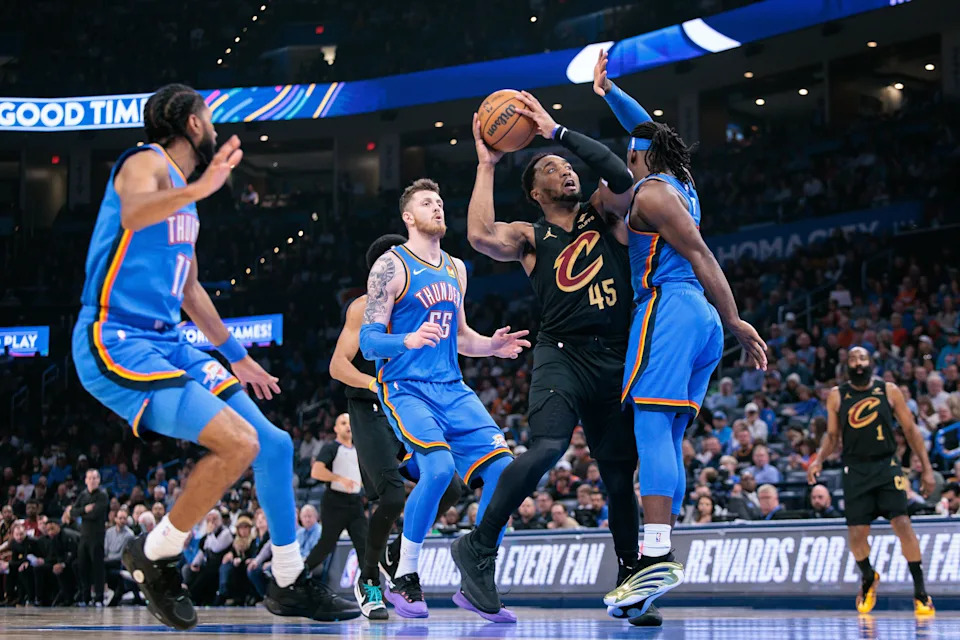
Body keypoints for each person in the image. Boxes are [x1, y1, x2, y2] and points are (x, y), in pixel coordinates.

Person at [69, 83, 358, 629]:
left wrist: (236, 356)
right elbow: (132, 214)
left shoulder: (184, 198)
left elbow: (191, 289)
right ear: (194, 125)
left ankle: (290, 580)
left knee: (273, 444)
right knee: (238, 443)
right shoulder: (143, 162)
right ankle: (154, 554)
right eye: (209, 115)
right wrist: (203, 186)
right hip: (116, 336)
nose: (214, 125)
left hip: (170, 338)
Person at [452, 86, 646, 625]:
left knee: (617, 475)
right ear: (534, 191)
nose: (566, 172)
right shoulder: (530, 234)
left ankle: (631, 578)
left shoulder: (602, 213)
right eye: (553, 168)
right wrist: (486, 164)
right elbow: (477, 234)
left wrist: (555, 131)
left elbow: (624, 177)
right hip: (560, 356)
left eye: (567, 166)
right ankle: (479, 545)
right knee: (545, 450)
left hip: (613, 357)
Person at [593, 48, 766, 619]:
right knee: (666, 437)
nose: (625, 158)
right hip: (700, 323)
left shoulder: (652, 192)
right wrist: (610, 92)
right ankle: (655, 567)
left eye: (628, 154)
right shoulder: (680, 183)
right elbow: (649, 131)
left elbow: (700, 253)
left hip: (670, 308)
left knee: (648, 425)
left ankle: (656, 555)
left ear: (640, 157)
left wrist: (737, 316)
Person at [358, 178, 529, 621]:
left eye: (439, 200)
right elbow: (370, 341)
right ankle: (405, 576)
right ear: (407, 217)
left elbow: (462, 337)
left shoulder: (457, 268)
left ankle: (477, 567)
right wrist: (408, 339)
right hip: (405, 387)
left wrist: (490, 346)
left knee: (507, 474)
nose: (437, 207)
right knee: (435, 469)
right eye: (426, 203)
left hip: (453, 388)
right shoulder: (390, 267)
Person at [327, 234, 466, 619]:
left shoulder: (425, 303)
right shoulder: (363, 308)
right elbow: (338, 366)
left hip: (410, 402)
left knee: (451, 484)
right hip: (371, 406)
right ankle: (368, 577)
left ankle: (394, 553)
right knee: (390, 496)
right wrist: (375, 383)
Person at [808, 347, 936, 616]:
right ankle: (868, 576)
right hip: (854, 469)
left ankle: (921, 592)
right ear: (847, 365)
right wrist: (819, 459)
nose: (858, 363)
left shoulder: (889, 391)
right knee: (856, 536)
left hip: (886, 466)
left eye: (862, 358)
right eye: (853, 359)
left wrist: (926, 469)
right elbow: (832, 436)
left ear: (871, 363)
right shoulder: (837, 395)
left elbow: (911, 430)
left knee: (902, 524)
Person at [306, 414, 368, 577]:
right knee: (326, 545)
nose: (348, 426)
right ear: (336, 429)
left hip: (355, 503)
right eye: (343, 423)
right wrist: (339, 478)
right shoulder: (331, 448)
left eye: (350, 422)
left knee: (364, 546)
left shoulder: (359, 449)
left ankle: (371, 588)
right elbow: (316, 471)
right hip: (335, 502)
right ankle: (300, 576)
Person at [63, 468, 108, 606]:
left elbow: (96, 514)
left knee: (97, 567)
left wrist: (83, 513)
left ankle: (99, 597)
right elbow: (72, 512)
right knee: (82, 566)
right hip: (84, 536)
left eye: (95, 478)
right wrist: (85, 510)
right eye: (90, 478)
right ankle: (85, 597)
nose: (92, 481)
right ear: (86, 480)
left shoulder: (102, 495)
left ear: (99, 480)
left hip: (97, 536)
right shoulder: (83, 495)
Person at [104, 507, 135, 606]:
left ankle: (105, 590)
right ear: (115, 519)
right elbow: (106, 550)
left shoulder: (129, 535)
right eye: (120, 518)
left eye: (124, 518)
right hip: (108, 561)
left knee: (102, 566)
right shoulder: (109, 532)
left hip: (119, 562)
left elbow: (123, 554)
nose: (122, 520)